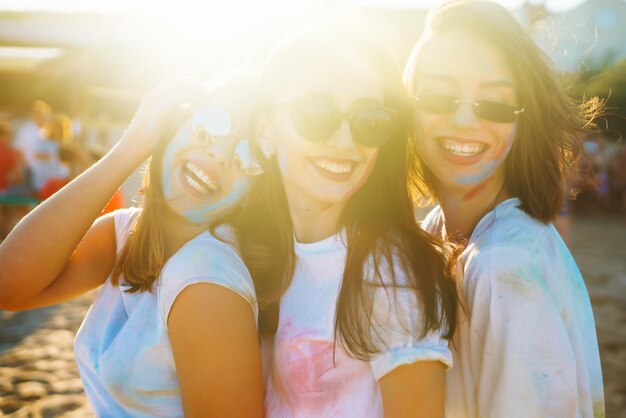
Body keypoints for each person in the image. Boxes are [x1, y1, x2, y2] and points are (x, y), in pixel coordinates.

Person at [0, 75, 264, 417]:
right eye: (210, 126)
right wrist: (130, 147)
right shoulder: (128, 233)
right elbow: (10, 285)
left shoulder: (207, 283)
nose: (219, 154)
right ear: (173, 126)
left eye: (250, 158)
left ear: (254, 195)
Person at [235, 20, 458, 418]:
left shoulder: (389, 272)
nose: (344, 141)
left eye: (369, 120)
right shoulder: (246, 250)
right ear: (266, 130)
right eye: (316, 114)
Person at [403, 1, 604, 417]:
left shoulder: (505, 266)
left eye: (494, 104)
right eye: (440, 96)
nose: (463, 120)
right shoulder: (438, 230)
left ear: (523, 123)